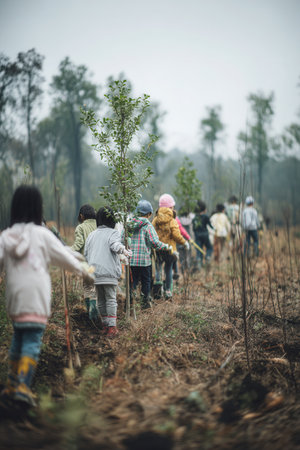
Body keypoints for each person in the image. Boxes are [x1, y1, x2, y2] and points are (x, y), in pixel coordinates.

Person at [0, 185, 94, 407]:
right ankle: (23, 386)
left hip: (14, 299)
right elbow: (64, 256)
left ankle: (12, 384)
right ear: (37, 208)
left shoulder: (6, 236)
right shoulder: (42, 234)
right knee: (32, 341)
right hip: (36, 300)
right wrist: (84, 271)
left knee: (19, 339)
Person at [84, 207, 131, 337]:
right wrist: (124, 250)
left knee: (101, 300)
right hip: (109, 273)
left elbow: (86, 254)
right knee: (111, 299)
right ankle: (112, 327)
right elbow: (115, 245)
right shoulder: (113, 233)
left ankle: (105, 325)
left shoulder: (91, 235)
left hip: (94, 273)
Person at [128, 200, 169, 309]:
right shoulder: (148, 226)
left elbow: (123, 237)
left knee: (132, 283)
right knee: (146, 282)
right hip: (144, 262)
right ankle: (145, 303)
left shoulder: (128, 224)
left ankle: (129, 304)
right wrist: (165, 246)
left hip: (131, 260)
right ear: (149, 214)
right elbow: (154, 243)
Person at [152, 194, 189, 299]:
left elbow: (152, 232)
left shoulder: (155, 219)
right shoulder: (172, 220)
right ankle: (168, 291)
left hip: (158, 248)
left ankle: (158, 290)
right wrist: (184, 242)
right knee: (168, 269)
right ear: (171, 207)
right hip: (170, 250)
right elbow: (176, 235)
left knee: (158, 268)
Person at [71, 204, 97, 319]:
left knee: (87, 286)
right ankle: (96, 309)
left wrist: (68, 251)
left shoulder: (80, 228)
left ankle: (90, 312)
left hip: (86, 263)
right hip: (99, 260)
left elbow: (79, 244)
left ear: (81, 216)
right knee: (97, 287)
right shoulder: (99, 225)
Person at [192, 200, 214, 268]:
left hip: (197, 235)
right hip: (205, 235)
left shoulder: (195, 218)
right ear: (204, 208)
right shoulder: (206, 216)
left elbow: (194, 229)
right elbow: (211, 226)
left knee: (199, 249)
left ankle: (199, 262)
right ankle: (207, 256)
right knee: (210, 247)